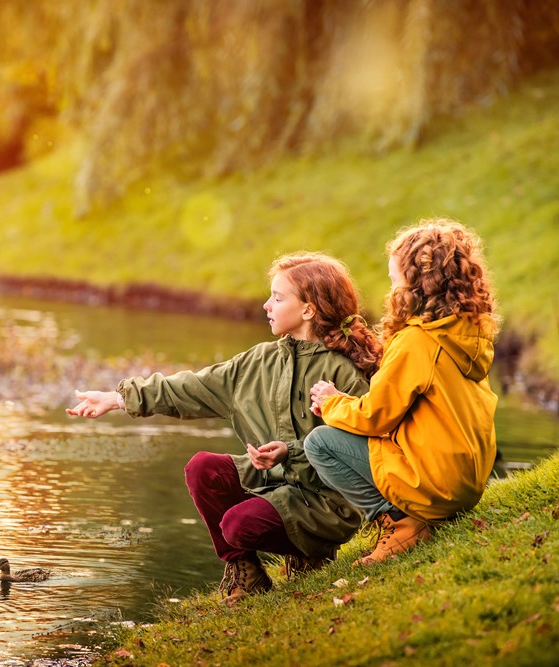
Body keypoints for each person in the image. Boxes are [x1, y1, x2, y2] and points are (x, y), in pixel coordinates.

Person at [68, 252, 383, 603]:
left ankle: (312, 552)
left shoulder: (343, 372)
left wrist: (288, 452)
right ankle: (246, 574)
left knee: (237, 525)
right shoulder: (258, 360)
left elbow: (359, 448)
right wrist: (116, 399)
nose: (266, 305)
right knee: (202, 467)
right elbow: (189, 387)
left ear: (308, 310)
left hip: (325, 503)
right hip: (272, 483)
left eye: (278, 298)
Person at [305, 219, 499, 567]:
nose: (392, 289)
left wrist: (333, 402)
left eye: (395, 280)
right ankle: (417, 514)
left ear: (417, 284)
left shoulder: (416, 341)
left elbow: (375, 416)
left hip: (435, 486)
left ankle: (403, 524)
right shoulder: (469, 331)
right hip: (468, 484)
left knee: (320, 444)